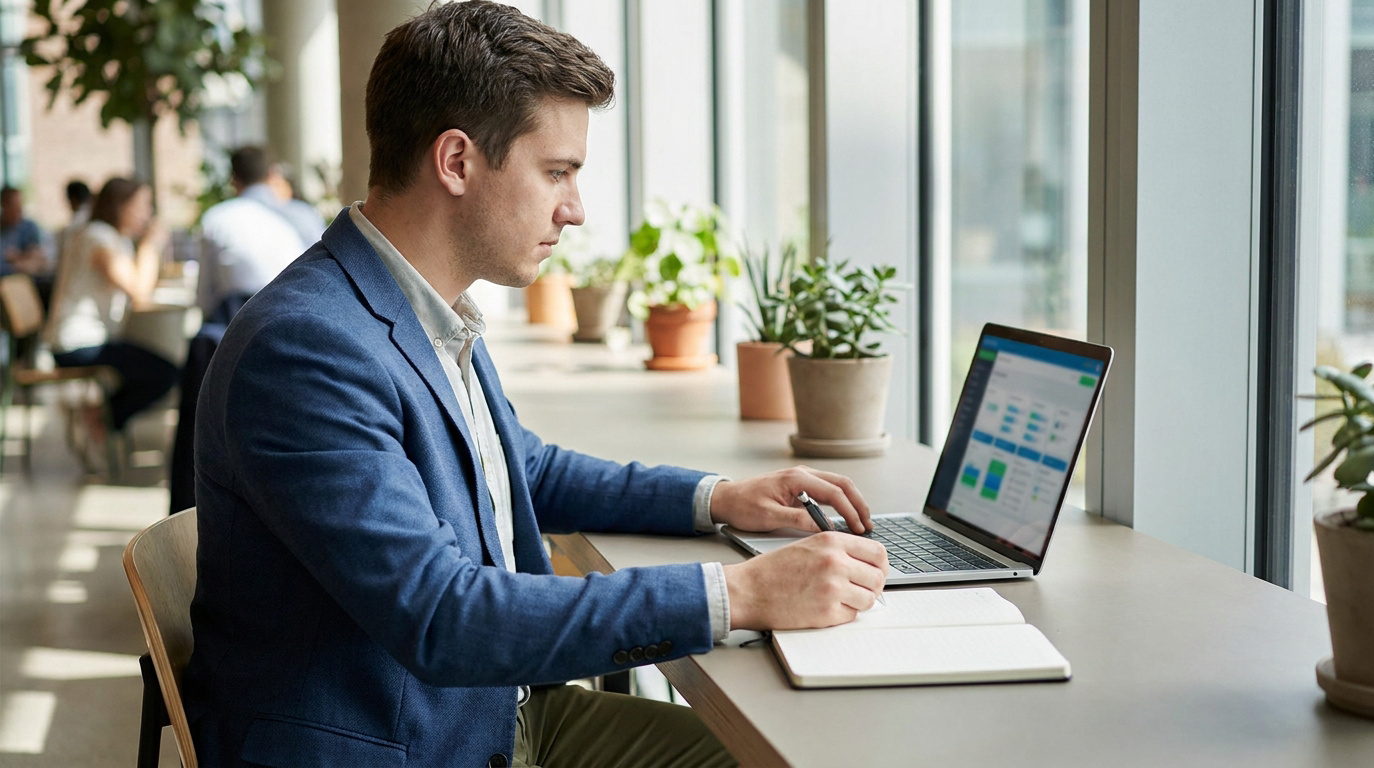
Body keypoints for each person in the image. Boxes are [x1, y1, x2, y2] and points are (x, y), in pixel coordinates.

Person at [185, 4, 889, 766]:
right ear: (456, 161)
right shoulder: (307, 349)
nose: (575, 210)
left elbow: (523, 467)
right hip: (410, 744)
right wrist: (739, 593)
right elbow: (441, 617)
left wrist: (717, 498)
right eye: (557, 172)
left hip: (490, 712)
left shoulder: (427, 307)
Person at [44, 177, 179, 438]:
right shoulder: (97, 237)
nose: (148, 214)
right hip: (76, 344)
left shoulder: (114, 238)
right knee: (165, 374)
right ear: (122, 206)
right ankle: (99, 418)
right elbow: (139, 292)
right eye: (143, 206)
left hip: (92, 339)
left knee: (158, 368)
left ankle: (99, 416)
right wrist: (150, 244)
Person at [195, 146, 313, 319]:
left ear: (233, 180)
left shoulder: (217, 218)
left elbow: (205, 296)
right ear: (272, 174)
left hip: (236, 321)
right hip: (300, 315)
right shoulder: (305, 216)